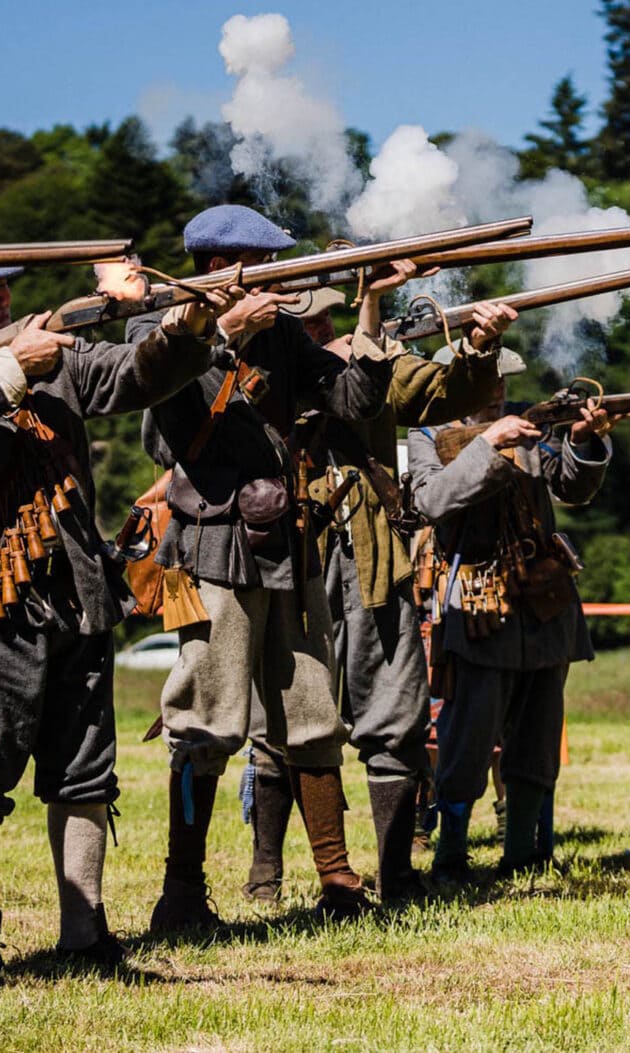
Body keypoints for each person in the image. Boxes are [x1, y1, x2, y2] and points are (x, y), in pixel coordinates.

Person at [0, 231, 230, 984]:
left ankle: (85, 933)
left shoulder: (54, 354)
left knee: (84, 771)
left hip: (75, 588)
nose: (2, 298)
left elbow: (135, 375)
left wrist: (189, 325)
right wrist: (8, 368)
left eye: (5, 286)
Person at [132, 204, 415, 928]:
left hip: (286, 541)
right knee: (203, 717)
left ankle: (336, 878)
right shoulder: (164, 330)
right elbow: (159, 439)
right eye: (258, 264)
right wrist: (223, 336)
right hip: (210, 545)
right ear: (220, 267)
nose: (271, 278)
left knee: (314, 709)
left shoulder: (287, 333)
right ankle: (183, 893)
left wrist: (372, 304)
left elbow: (353, 399)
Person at [241, 301, 517, 905]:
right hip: (286, 551)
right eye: (307, 323)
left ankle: (397, 876)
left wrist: (477, 347)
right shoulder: (248, 362)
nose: (318, 334)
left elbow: (443, 394)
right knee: (277, 715)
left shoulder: (375, 363)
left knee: (394, 713)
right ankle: (267, 875)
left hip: (371, 553)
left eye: (327, 321)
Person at [406, 350, 621, 879]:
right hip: (477, 604)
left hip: (542, 604)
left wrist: (584, 438)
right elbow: (433, 501)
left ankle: (528, 854)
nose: (499, 388)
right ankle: (451, 856)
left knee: (539, 739)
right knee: (465, 740)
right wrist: (488, 444)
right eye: (487, 378)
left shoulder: (532, 424)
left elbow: (573, 487)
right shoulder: (430, 434)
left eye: (502, 379)